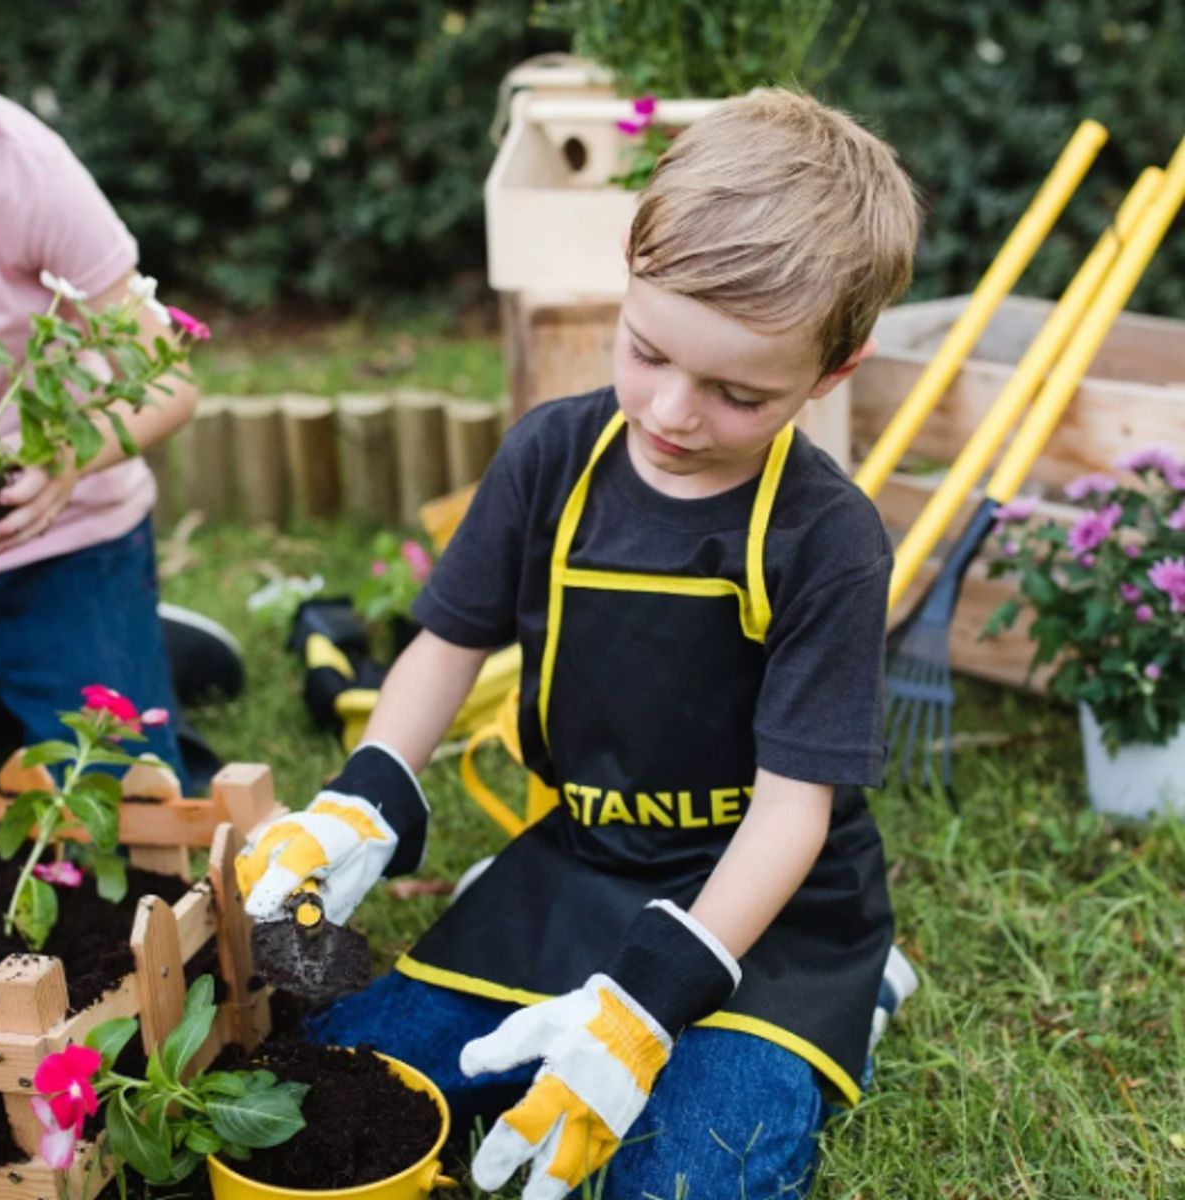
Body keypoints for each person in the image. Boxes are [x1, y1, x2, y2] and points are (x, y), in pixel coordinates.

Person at [238, 89, 920, 1197]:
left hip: (765, 918)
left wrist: (650, 1002)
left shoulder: (827, 539)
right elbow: (445, 646)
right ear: (628, 280)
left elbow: (794, 811)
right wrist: (369, 791)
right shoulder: (550, 459)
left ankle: (859, 994)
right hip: (585, 866)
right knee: (339, 1085)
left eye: (739, 394)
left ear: (833, 371)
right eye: (647, 352)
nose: (674, 413)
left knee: (684, 1177)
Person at [0, 88, 196, 785]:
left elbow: (171, 382)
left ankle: (125, 638)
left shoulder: (24, 166)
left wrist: (66, 460)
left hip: (58, 550)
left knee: (116, 792)